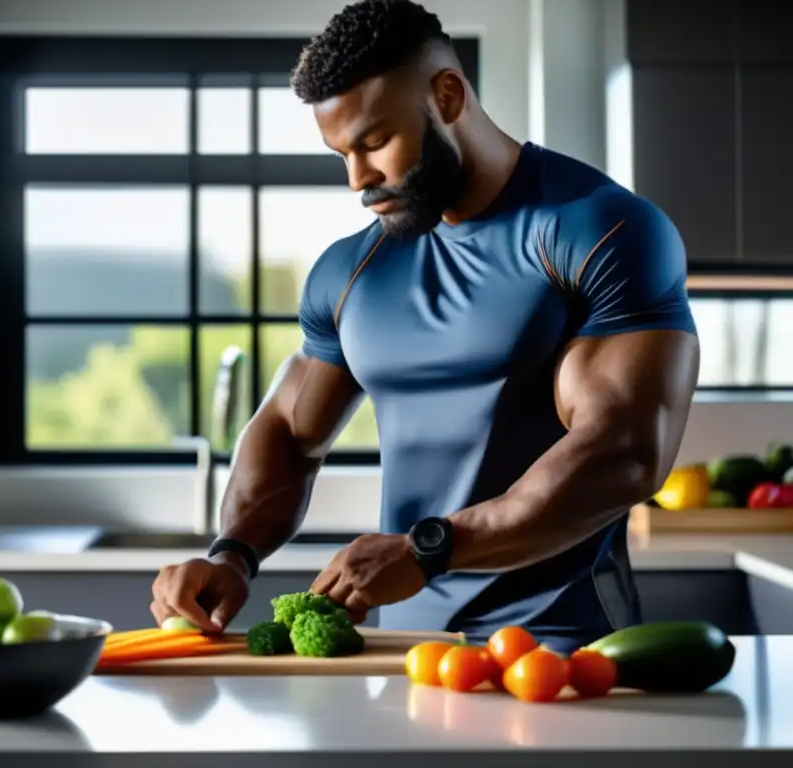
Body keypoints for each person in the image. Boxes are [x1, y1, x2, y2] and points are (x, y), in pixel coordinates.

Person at [150, 0, 700, 653]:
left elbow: (624, 453)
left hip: (563, 647)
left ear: (446, 96)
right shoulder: (353, 272)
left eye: (376, 141)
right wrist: (230, 554)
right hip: (405, 652)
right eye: (342, 154)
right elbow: (289, 435)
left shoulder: (595, 230)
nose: (359, 179)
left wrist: (430, 549)